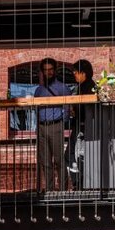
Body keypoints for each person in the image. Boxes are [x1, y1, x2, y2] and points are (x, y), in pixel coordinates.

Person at [34, 57, 71, 191]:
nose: (47, 72)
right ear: (42, 72)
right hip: (42, 127)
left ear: (54, 71)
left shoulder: (62, 88)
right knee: (45, 162)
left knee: (59, 160)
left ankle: (62, 190)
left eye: (50, 70)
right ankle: (49, 190)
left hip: (56, 126)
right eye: (45, 70)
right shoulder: (38, 90)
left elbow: (67, 107)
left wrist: (62, 121)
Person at [68, 59, 94, 189]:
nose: (74, 74)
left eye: (76, 72)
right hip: (78, 125)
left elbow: (87, 108)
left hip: (83, 127)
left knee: (79, 156)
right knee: (72, 155)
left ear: (83, 73)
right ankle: (78, 183)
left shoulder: (89, 87)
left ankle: (81, 185)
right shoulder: (81, 87)